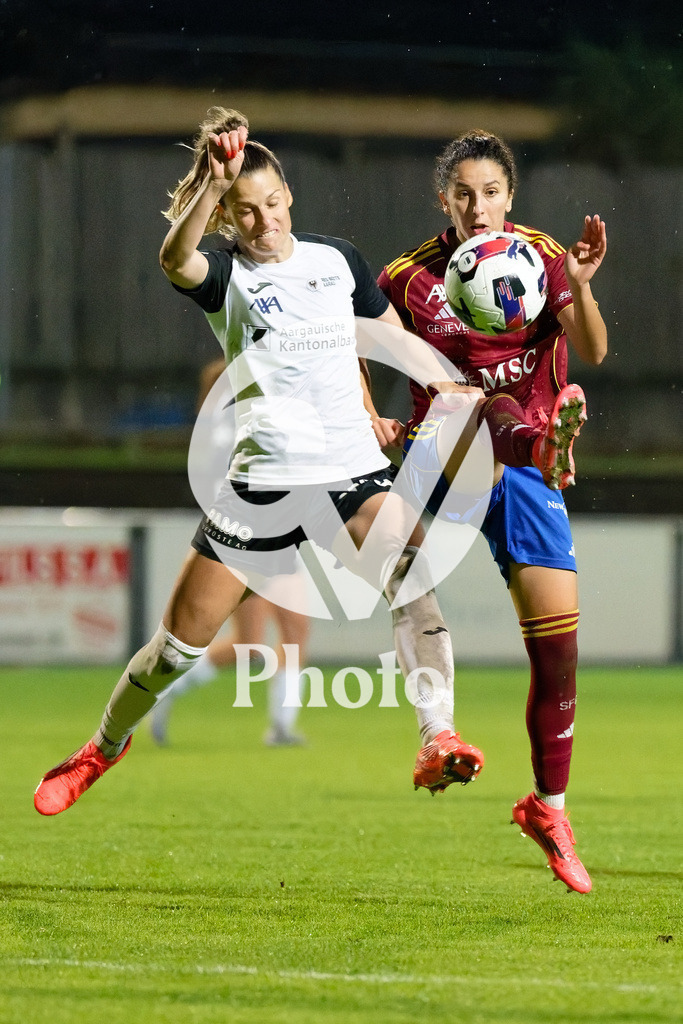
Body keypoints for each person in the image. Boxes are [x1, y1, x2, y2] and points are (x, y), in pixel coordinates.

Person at [33, 106, 485, 821]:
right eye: (244, 211)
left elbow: (378, 340)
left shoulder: (336, 261)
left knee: (412, 579)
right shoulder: (225, 275)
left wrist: (411, 395)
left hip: (348, 475)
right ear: (226, 217)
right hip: (260, 487)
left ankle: (437, 738)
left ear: (290, 199)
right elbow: (171, 260)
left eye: (272, 204)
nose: (264, 221)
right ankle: (100, 746)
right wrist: (211, 187)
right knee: (173, 653)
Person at [374, 129, 608, 893]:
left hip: (522, 481)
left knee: (558, 652)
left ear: (511, 196)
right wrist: (360, 414)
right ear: (443, 199)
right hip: (442, 460)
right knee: (476, 402)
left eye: (492, 193)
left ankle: (548, 808)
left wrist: (581, 283)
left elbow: (594, 351)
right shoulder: (411, 279)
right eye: (464, 195)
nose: (479, 208)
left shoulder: (541, 257)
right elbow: (359, 344)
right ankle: (542, 442)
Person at [148, 357, 311, 748]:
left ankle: (281, 726)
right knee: (261, 642)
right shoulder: (233, 429)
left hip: (271, 533)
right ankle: (165, 688)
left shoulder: (231, 425)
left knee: (279, 636)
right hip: (249, 537)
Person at [149, 576, 310, 747]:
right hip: (253, 556)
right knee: (249, 645)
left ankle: (282, 727)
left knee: (295, 633)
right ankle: (168, 685)